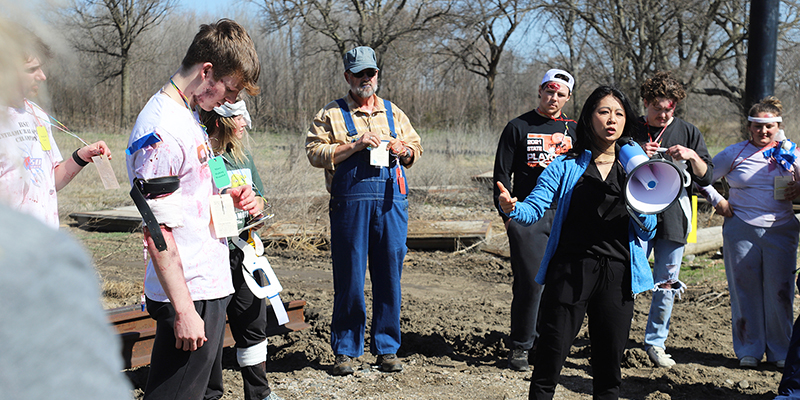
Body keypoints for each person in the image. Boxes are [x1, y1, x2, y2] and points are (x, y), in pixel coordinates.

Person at [125, 19, 262, 400]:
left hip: (210, 282)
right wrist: (185, 310)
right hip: (188, 291)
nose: (228, 101)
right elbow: (158, 231)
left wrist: (231, 198)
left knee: (205, 393)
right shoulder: (162, 128)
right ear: (206, 72)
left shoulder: (188, 114)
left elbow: (191, 192)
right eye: (229, 89)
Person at [498, 86, 656, 400]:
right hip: (569, 274)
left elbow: (649, 229)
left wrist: (639, 195)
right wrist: (512, 207)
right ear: (588, 117)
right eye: (604, 112)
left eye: (619, 114)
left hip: (617, 277)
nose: (612, 120)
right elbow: (534, 209)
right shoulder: (566, 165)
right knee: (548, 364)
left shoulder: (637, 171)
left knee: (608, 372)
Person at [306, 46, 423, 376]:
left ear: (377, 75)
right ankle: (345, 349)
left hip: (390, 204)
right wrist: (354, 145)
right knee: (350, 278)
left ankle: (387, 348)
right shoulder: (330, 114)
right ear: (347, 77)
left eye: (370, 73)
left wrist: (405, 149)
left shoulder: (393, 113)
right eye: (359, 74)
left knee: (389, 277)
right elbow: (314, 152)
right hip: (349, 204)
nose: (365, 79)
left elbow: (416, 148)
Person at [697, 96, 799, 369]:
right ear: (749, 126)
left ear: (779, 126)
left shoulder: (791, 152)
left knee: (780, 292)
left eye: (770, 127)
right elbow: (703, 177)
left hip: (782, 230)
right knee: (744, 291)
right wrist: (718, 201)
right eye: (757, 126)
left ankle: (780, 352)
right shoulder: (734, 153)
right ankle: (748, 350)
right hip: (741, 228)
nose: (763, 132)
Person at [492, 68, 577, 371]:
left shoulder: (576, 130)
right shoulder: (518, 126)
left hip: (566, 215)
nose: (553, 98)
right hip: (527, 214)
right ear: (540, 90)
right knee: (530, 283)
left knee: (561, 284)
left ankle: (547, 345)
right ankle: (520, 347)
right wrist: (506, 215)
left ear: (568, 98)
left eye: (560, 94)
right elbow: (501, 174)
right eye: (549, 91)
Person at [199, 101, 283, 400]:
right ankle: (210, 394)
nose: (245, 121)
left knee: (253, 322)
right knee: (211, 330)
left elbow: (260, 195)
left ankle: (258, 393)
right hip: (213, 253)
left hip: (244, 251)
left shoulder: (241, 156)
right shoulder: (202, 157)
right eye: (238, 116)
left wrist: (255, 207)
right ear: (220, 120)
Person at [634, 71, 713, 368]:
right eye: (657, 108)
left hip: (676, 218)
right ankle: (613, 337)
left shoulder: (689, 131)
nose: (663, 114)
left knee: (666, 283)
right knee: (625, 278)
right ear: (645, 103)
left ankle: (656, 342)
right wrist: (637, 152)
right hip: (636, 217)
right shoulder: (631, 129)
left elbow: (710, 176)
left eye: (669, 109)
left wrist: (692, 156)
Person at [0, 28, 111, 229]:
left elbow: (48, 183)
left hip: (44, 245)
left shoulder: (37, 115)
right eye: (32, 69)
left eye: (41, 68)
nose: (42, 76)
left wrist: (81, 157)